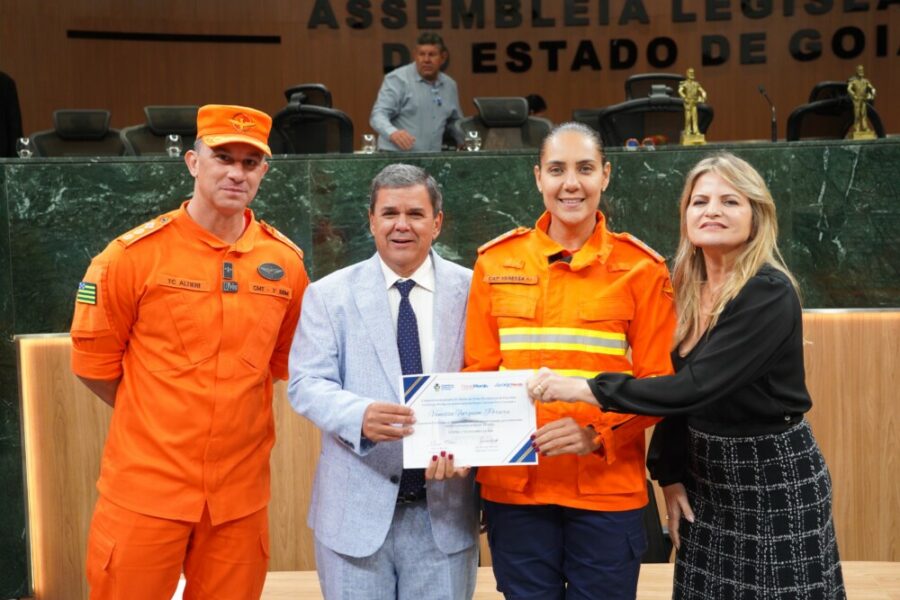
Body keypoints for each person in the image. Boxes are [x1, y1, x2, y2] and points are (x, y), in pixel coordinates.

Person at [529, 152, 846, 599]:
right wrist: (671, 475)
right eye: (700, 201)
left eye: (730, 202)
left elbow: (693, 387)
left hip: (771, 477)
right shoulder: (683, 288)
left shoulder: (768, 292)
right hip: (704, 478)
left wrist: (584, 388)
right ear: (686, 215)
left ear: (757, 216)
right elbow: (672, 393)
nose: (712, 210)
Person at [70, 104, 309, 600]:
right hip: (145, 492)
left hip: (238, 502)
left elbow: (283, 365)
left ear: (264, 172)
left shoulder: (285, 264)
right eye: (223, 157)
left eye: (250, 162)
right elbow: (94, 368)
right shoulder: (131, 258)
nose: (236, 172)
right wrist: (159, 414)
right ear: (193, 162)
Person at [464, 122, 677, 600]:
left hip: (605, 487)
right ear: (538, 177)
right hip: (516, 491)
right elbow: (476, 375)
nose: (570, 183)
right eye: (557, 169)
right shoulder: (495, 263)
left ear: (606, 174)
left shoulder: (642, 269)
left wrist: (595, 435)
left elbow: (660, 385)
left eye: (584, 169)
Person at [288, 164, 478, 599]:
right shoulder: (328, 294)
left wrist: (472, 447)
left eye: (415, 213)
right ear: (371, 220)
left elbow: (489, 378)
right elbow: (306, 382)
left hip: (444, 517)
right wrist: (358, 415)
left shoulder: (473, 290)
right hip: (353, 516)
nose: (402, 225)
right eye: (389, 213)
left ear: (437, 222)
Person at [370, 32, 463, 152]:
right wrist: (392, 133)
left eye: (432, 54)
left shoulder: (450, 85)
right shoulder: (397, 79)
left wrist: (464, 139)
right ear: (415, 55)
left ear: (443, 57)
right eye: (422, 54)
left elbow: (454, 122)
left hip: (433, 158)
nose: (426, 60)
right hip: (396, 157)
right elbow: (378, 115)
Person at [847, 64, 876, 135]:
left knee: (863, 114)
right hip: (856, 99)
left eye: (862, 70)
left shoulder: (865, 81)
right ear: (857, 71)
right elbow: (849, 89)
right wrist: (853, 95)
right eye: (859, 70)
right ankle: (857, 128)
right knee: (857, 114)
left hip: (863, 99)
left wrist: (872, 94)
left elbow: (872, 88)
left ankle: (865, 128)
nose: (861, 71)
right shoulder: (853, 81)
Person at [678, 68, 707, 137]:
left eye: (693, 73)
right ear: (687, 74)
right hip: (688, 102)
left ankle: (696, 131)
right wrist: (684, 97)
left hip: (694, 102)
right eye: (690, 73)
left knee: (695, 118)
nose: (692, 74)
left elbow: (702, 91)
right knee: (688, 118)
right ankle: (687, 131)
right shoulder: (685, 83)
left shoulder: (696, 84)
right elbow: (680, 91)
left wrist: (703, 96)